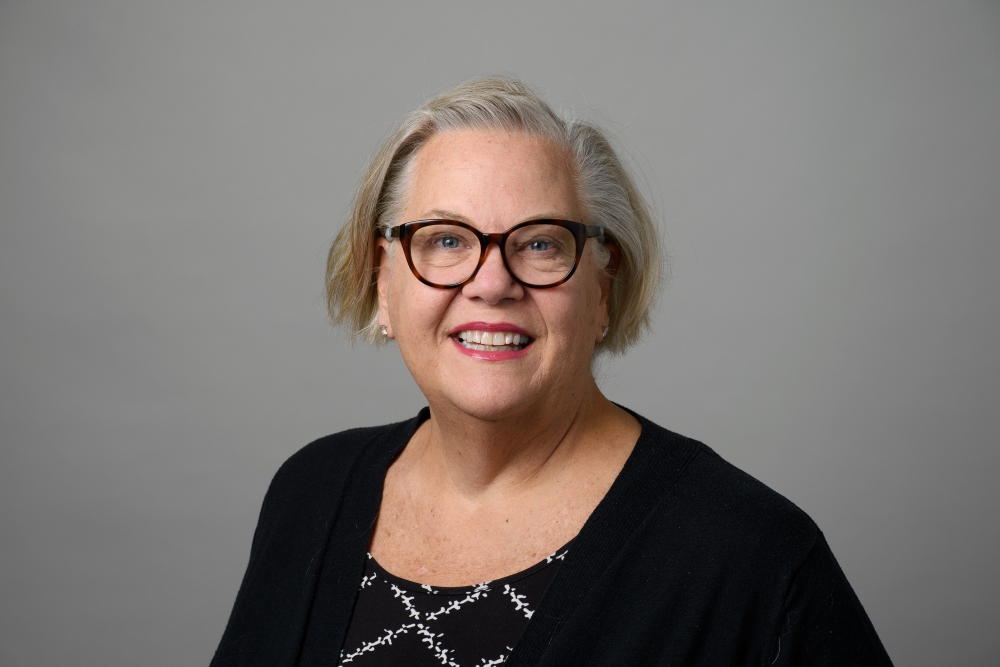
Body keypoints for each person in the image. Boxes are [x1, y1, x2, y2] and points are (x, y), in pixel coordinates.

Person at [210, 76, 893, 667]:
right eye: (445, 240)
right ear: (381, 279)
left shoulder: (752, 556)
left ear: (602, 285)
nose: (492, 282)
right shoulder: (311, 494)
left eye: (540, 243)